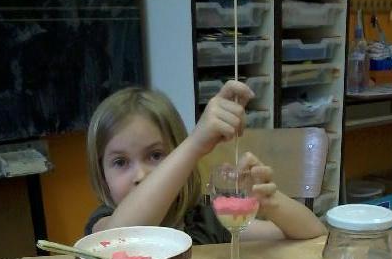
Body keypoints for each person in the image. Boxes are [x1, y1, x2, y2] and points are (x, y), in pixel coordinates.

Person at [85, 81, 326, 243]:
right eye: (120, 162)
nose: (140, 175)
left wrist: (270, 202)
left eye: (156, 155)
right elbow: (121, 239)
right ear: (102, 174)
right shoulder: (104, 223)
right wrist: (194, 144)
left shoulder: (205, 221)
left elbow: (314, 234)